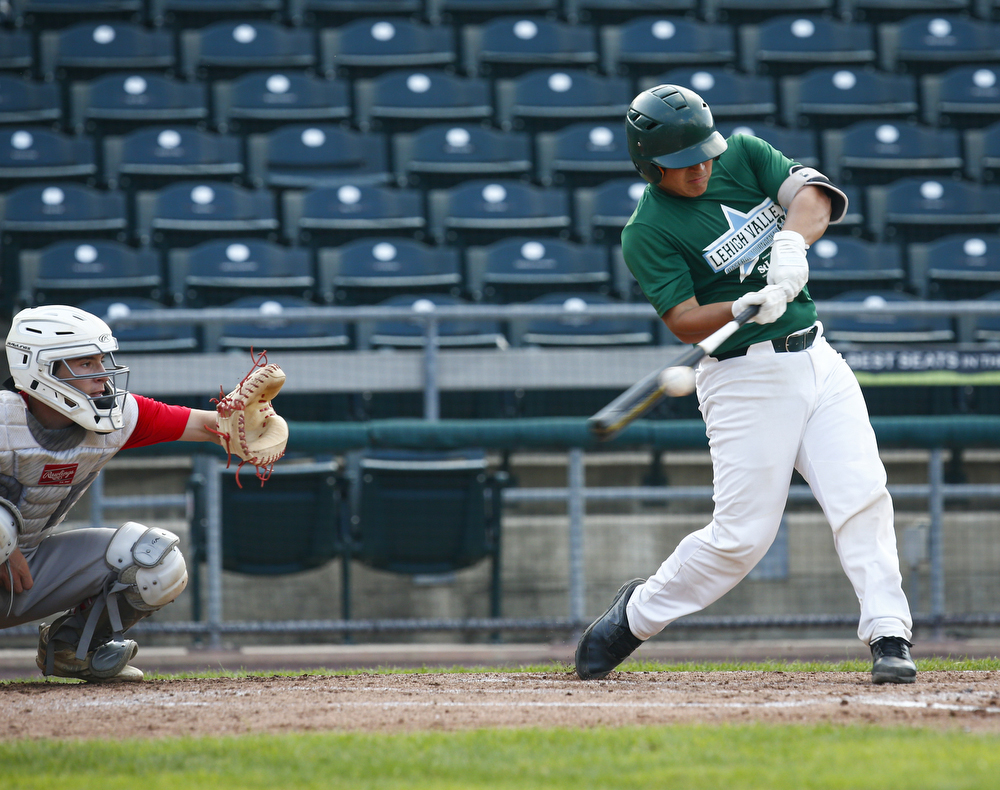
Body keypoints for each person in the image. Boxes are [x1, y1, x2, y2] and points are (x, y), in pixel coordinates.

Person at [575, 84, 916, 685]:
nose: (702, 170)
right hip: (743, 378)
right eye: (683, 166)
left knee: (862, 495)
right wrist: (740, 306)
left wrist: (789, 241)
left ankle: (889, 633)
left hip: (818, 357)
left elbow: (812, 198)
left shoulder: (744, 154)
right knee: (742, 539)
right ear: (649, 165)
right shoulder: (646, 229)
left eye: (705, 155)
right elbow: (682, 318)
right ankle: (635, 617)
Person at [1, 304, 239, 681]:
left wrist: (244, 425)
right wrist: (5, 547)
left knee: (155, 561)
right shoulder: (4, 419)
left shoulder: (117, 416)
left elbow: (206, 425)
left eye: (102, 360)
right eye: (85, 363)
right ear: (40, 367)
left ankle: (69, 649)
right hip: (9, 562)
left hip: (25, 573)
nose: (103, 375)